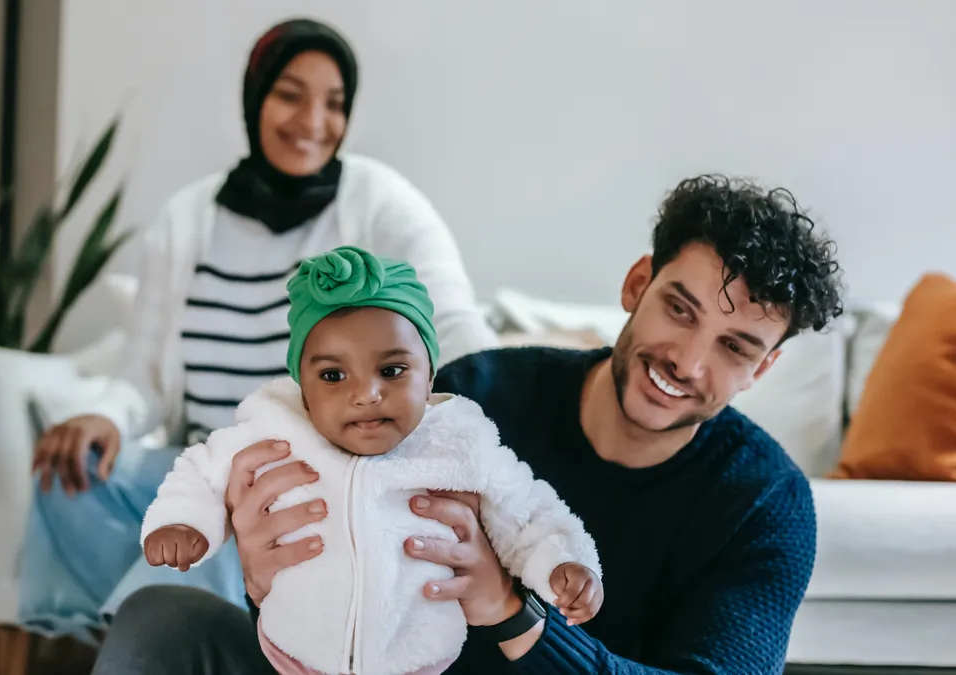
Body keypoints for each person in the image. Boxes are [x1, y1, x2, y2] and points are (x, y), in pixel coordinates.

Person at [91, 174, 846, 675]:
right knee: (160, 621)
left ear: (764, 368)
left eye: (735, 345)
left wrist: (510, 611)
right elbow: (348, 551)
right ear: (637, 284)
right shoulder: (478, 398)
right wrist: (267, 578)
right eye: (679, 309)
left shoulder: (764, 504)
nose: (685, 359)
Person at [18, 18, 497, 644]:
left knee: (244, 509)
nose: (312, 121)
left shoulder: (382, 203)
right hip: (202, 460)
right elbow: (143, 378)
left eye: (334, 104)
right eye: (290, 94)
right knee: (74, 476)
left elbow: (456, 330)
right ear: (256, 97)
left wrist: (494, 413)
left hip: (319, 471)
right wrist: (104, 415)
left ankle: (159, 629)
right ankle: (174, 616)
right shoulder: (186, 220)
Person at [141, 245, 603, 675]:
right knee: (151, 617)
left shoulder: (461, 442)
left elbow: (528, 512)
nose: (366, 394)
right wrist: (184, 523)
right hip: (293, 654)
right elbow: (202, 469)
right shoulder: (273, 429)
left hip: (417, 661)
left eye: (392, 370)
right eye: (333, 375)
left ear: (429, 377)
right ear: (302, 386)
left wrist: (562, 565)